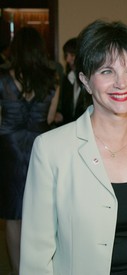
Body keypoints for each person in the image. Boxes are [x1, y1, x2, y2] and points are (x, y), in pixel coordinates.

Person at [20, 20, 127, 275]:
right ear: (86, 81)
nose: (121, 83)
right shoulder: (51, 149)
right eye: (106, 71)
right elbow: (36, 254)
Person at [0, 27, 60, 275]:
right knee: (40, 210)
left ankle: (16, 270)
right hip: (39, 146)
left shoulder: (2, 79)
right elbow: (48, 117)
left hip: (9, 147)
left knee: (13, 216)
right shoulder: (52, 80)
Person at [54, 37, 91, 126]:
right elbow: (64, 108)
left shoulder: (91, 80)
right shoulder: (67, 79)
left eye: (72, 55)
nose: (67, 60)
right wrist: (60, 114)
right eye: (66, 55)